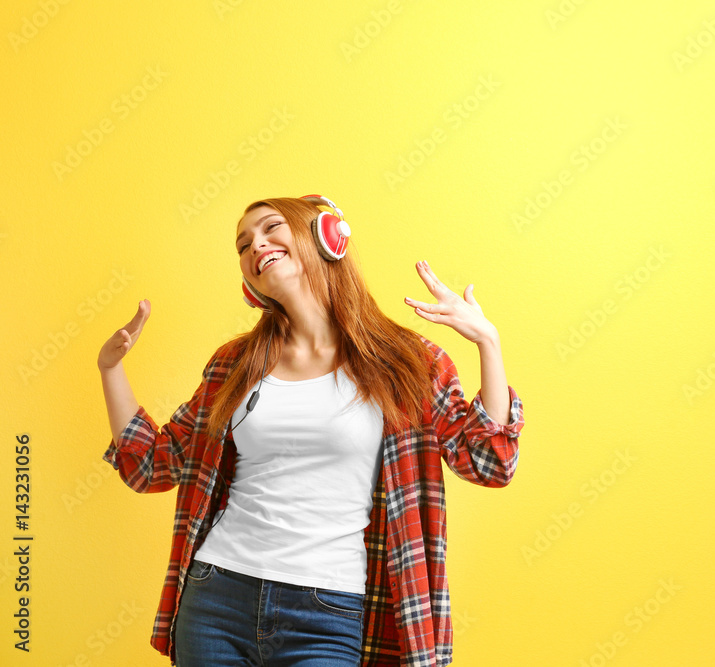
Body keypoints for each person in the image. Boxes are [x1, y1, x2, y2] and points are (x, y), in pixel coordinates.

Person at [97, 195, 525, 666]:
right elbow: (152, 466)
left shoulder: (408, 362)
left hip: (329, 609)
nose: (255, 245)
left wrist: (489, 343)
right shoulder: (234, 365)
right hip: (216, 595)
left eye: (269, 228)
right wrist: (110, 369)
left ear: (325, 236)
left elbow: (492, 463)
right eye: (243, 245)